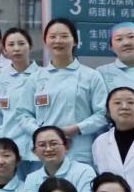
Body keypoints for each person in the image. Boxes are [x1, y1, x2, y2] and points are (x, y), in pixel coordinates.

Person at [11, 18, 108, 165]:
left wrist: (76, 128)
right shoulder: (36, 78)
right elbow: (23, 114)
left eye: (64, 36)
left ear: (75, 41)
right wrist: (42, 133)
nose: (58, 41)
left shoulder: (91, 76)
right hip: (45, 153)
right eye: (52, 36)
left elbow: (103, 114)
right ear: (46, 41)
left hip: (79, 153)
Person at [21, 126, 96, 192]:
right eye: (42, 145)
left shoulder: (84, 172)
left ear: (66, 146)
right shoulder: (32, 178)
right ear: (34, 151)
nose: (48, 149)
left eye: (53, 143)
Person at [0, 28, 39, 172]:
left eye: (21, 43)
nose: (16, 48)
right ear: (4, 50)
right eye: (11, 45)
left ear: (30, 46)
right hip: (9, 147)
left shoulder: (43, 76)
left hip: (38, 146)